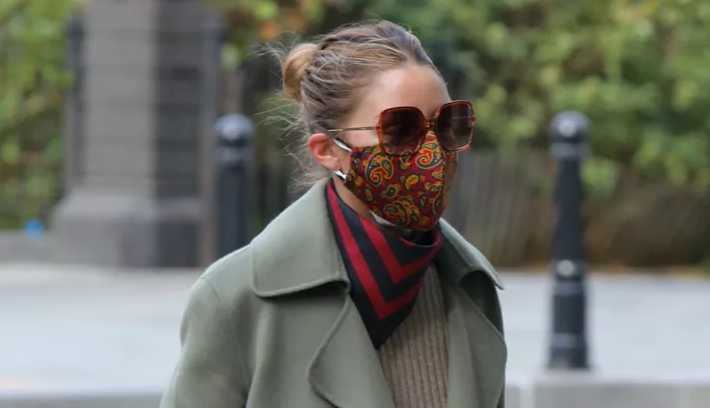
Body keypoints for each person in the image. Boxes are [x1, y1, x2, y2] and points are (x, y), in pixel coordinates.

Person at [160, 20, 507, 408]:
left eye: (446, 124)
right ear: (327, 150)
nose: (432, 152)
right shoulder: (234, 299)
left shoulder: (469, 286)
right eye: (400, 130)